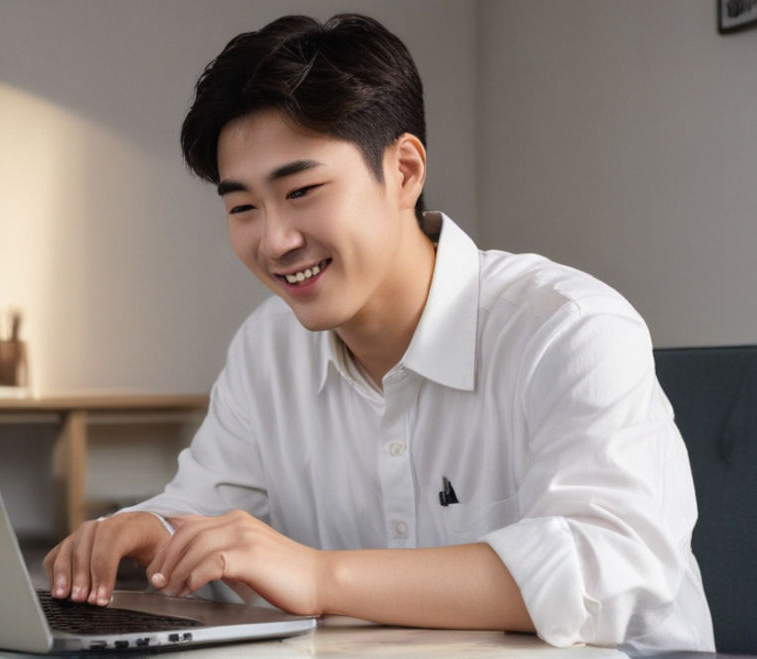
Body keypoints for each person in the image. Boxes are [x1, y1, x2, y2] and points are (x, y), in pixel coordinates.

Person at [44, 13, 714, 654]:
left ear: (403, 171)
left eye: (301, 191)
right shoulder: (266, 348)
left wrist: (318, 576)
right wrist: (145, 531)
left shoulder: (567, 329)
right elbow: (205, 507)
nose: (273, 240)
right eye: (242, 206)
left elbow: (608, 568)